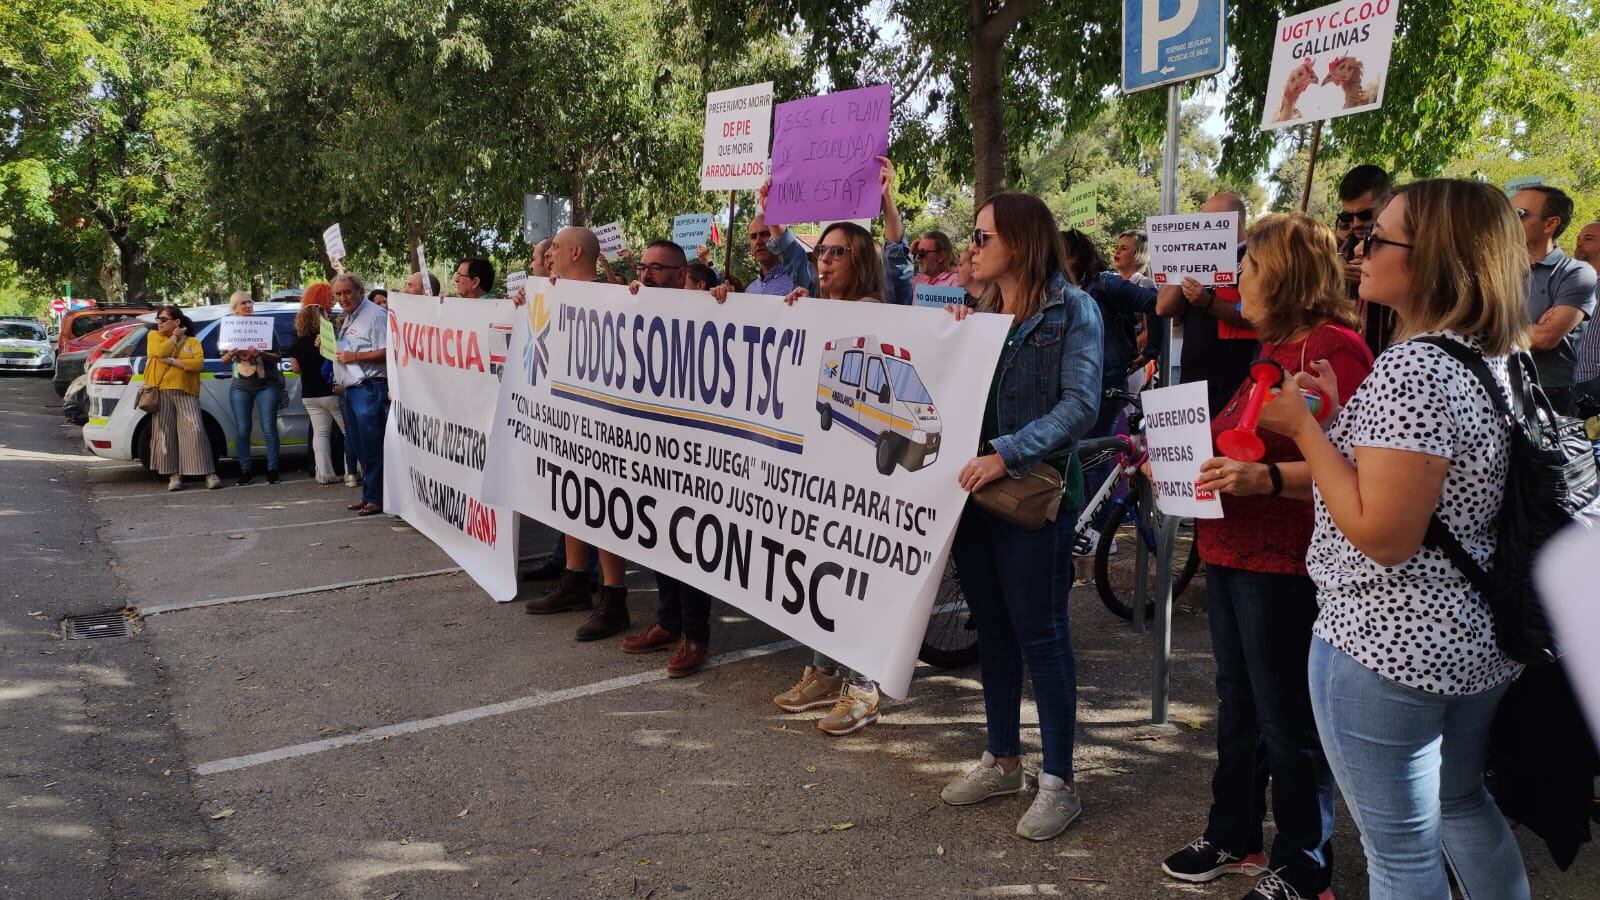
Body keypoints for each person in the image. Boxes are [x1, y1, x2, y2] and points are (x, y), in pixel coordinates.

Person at [1257, 179, 1533, 899]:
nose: (1357, 247)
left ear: (1434, 258)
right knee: (1464, 802)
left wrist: (1306, 428)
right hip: (1478, 635)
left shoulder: (1417, 366)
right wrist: (1345, 417)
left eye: (1377, 237)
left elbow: (1382, 534)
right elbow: (1426, 482)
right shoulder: (1498, 357)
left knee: (1401, 857)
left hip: (1388, 643)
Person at [1160, 213, 1373, 900]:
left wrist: (1265, 479)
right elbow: (1235, 442)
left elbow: (1366, 467)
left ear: (1280, 273)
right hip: (1228, 544)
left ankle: (1305, 864)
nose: (1235, 278)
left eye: (1247, 266)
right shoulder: (1270, 348)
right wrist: (1169, 462)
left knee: (1287, 716)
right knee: (1238, 702)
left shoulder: (1335, 350)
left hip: (1286, 558)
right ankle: (1235, 833)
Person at [937, 192, 1102, 842]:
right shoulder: (981, 312)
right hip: (973, 496)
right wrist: (950, 339)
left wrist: (1005, 454)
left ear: (1020, 241)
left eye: (982, 238)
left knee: (1042, 633)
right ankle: (1002, 758)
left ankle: (1058, 783)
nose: (972, 248)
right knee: (995, 632)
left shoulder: (1074, 310)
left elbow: (1080, 406)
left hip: (1030, 495)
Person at [736, 218, 888, 734]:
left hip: (859, 471)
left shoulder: (876, 314)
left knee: (854, 574)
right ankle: (823, 671)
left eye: (836, 253)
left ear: (861, 261)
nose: (823, 260)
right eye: (820, 252)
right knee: (817, 566)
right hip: (816, 462)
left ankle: (864, 687)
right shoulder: (816, 307)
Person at [612, 240, 714, 678]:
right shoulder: (636, 307)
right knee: (658, 534)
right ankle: (668, 622)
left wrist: (719, 296)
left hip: (694, 448)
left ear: (680, 273)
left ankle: (695, 635)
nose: (648, 273)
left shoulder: (707, 307)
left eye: (659, 267)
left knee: (690, 538)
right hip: (652, 443)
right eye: (645, 266)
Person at [1059, 228, 1159, 553]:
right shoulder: (1063, 287)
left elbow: (1154, 302)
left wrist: (1151, 350)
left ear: (1076, 255)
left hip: (1107, 382)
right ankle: (1084, 524)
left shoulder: (1105, 284)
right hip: (1080, 381)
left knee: (1096, 452)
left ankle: (1101, 534)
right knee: (1082, 451)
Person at [1156, 193, 1257, 415]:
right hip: (1191, 380)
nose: (1201, 226)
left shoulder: (1255, 259)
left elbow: (1257, 316)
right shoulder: (1197, 256)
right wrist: (1185, 259)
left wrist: (1209, 302)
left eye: (1209, 220)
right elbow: (1163, 308)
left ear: (1234, 222)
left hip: (1234, 385)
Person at [1511, 185, 1596, 415]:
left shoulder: (1576, 273)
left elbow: (1544, 338)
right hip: (1494, 388)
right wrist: (1529, 329)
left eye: (1519, 214)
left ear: (1550, 224)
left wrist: (1484, 331)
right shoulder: (1496, 270)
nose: (1507, 222)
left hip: (1547, 400)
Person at [145, 306, 221, 492]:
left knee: (195, 432)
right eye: (158, 319)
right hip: (162, 391)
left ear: (177, 322)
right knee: (166, 435)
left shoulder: (193, 341)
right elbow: (160, 352)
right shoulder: (154, 337)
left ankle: (208, 473)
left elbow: (198, 364)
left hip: (187, 391)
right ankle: (174, 475)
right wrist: (174, 338)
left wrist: (173, 362)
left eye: (163, 319)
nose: (160, 322)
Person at [332, 273, 388, 516]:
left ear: (360, 292)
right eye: (338, 294)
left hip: (369, 388)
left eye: (347, 292)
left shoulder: (375, 316)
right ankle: (369, 495)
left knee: (372, 444)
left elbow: (388, 351)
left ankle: (378, 497)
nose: (343, 298)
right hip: (351, 390)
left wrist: (355, 357)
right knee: (359, 446)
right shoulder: (349, 317)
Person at [219, 291, 284, 486]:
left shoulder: (264, 326)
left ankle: (273, 469)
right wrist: (230, 354)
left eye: (249, 302)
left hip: (267, 385)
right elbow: (223, 359)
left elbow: (278, 357)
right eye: (243, 303)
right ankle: (245, 470)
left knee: (269, 428)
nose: (247, 306)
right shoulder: (229, 327)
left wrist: (262, 353)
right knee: (242, 429)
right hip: (240, 387)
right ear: (235, 308)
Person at [1335, 165, 1396, 359]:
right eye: (1347, 216)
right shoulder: (1346, 246)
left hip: (1389, 357)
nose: (1355, 224)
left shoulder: (1406, 248)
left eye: (1364, 215)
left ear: (1388, 203)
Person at [287, 304, 346, 485]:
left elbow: (296, 369)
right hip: (331, 391)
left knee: (320, 434)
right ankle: (354, 470)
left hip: (309, 395)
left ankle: (324, 474)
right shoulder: (327, 340)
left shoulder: (296, 343)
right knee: (348, 432)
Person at [1570, 221, 1600, 419]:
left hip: (1592, 380)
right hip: (1567, 380)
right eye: (1578, 239)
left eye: (1588, 239)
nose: (1579, 244)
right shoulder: (1573, 281)